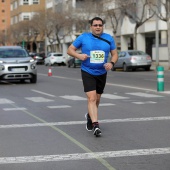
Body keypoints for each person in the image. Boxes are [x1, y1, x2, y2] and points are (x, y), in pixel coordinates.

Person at [67, 17, 118, 137]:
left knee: (98, 99)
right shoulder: (83, 37)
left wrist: (111, 63)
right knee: (92, 98)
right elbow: (70, 50)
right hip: (87, 71)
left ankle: (90, 116)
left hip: (101, 72)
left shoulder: (108, 38)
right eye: (95, 25)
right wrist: (79, 56)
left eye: (100, 25)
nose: (98, 27)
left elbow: (115, 54)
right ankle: (96, 125)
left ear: (102, 26)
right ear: (91, 27)